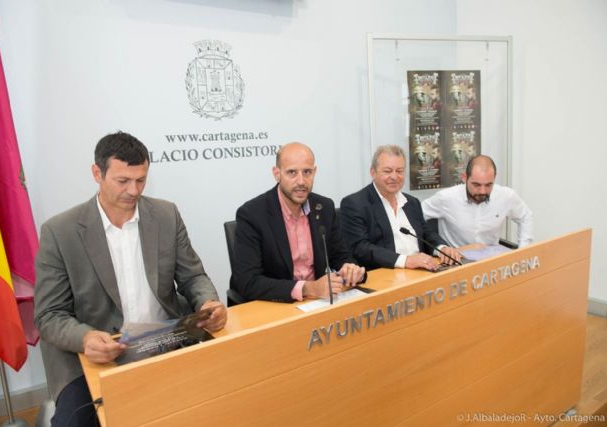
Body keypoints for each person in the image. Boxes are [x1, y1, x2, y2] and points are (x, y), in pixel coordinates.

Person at [34, 131, 227, 427]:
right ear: (97, 173)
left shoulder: (166, 214)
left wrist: (208, 302)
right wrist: (85, 338)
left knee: (226, 395)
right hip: (95, 353)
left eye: (141, 180)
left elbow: (193, 276)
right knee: (76, 422)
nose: (133, 190)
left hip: (166, 338)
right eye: (123, 181)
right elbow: (49, 315)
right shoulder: (60, 231)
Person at [232, 142, 365, 303]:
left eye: (307, 172)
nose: (301, 181)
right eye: (292, 172)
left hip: (318, 302)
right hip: (277, 304)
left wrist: (350, 269)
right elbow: (248, 281)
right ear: (277, 174)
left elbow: (340, 256)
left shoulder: (324, 207)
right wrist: (308, 288)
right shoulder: (252, 214)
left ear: (314, 172)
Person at [340, 145, 462, 271]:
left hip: (421, 271)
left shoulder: (412, 202)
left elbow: (426, 234)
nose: (394, 177)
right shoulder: (355, 204)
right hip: (385, 274)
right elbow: (360, 248)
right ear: (373, 172)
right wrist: (405, 260)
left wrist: (442, 248)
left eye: (399, 171)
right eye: (387, 171)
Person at [422, 155, 533, 248]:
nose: (482, 191)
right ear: (464, 178)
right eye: (476, 185)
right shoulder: (446, 198)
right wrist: (437, 246)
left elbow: (525, 216)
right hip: (456, 260)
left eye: (488, 185)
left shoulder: (506, 196)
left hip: (490, 259)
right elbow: (416, 216)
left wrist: (524, 249)